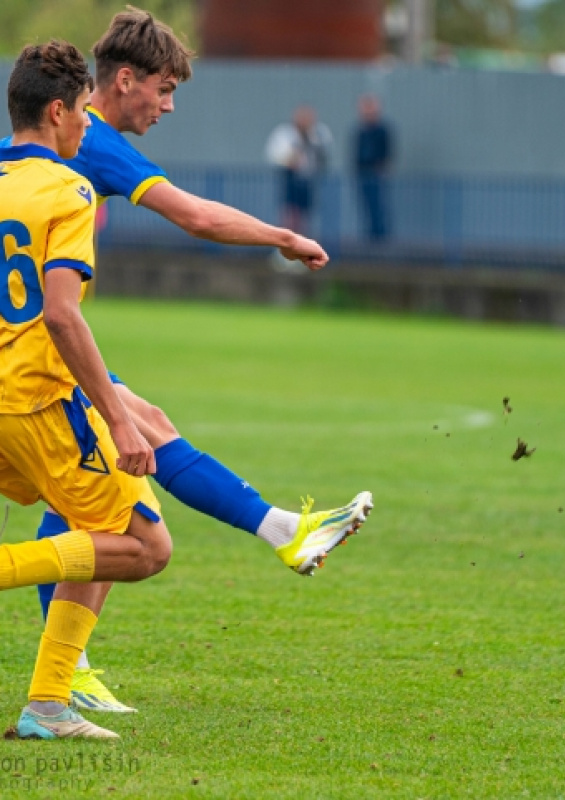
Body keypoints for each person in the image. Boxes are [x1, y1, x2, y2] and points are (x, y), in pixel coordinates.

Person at [2, 7, 373, 714]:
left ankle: (65, 671)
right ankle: (280, 534)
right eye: (165, 89)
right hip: (36, 361)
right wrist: (281, 236)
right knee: (129, 479)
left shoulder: (21, 150)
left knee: (124, 456)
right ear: (121, 81)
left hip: (23, 356)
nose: (169, 106)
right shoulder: (91, 143)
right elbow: (195, 215)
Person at [0, 39, 173, 740]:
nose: (86, 130)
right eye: (81, 117)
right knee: (142, 544)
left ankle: (46, 704)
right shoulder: (66, 190)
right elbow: (62, 314)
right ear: (58, 111)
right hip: (38, 404)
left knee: (90, 522)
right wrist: (121, 421)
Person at [264, 105, 333, 236]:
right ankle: (286, 241)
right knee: (290, 212)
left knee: (306, 213)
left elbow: (324, 153)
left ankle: (303, 241)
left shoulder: (318, 134)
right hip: (289, 177)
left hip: (309, 179)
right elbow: (276, 155)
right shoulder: (284, 134)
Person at [353, 94, 393, 241]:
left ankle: (380, 237)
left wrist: (381, 168)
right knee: (366, 205)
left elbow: (387, 152)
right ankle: (370, 236)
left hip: (376, 174)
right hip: (363, 173)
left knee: (379, 206)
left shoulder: (382, 130)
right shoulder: (361, 131)